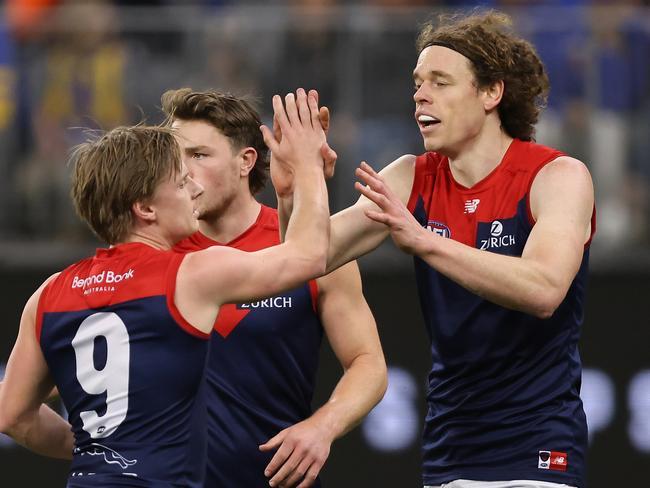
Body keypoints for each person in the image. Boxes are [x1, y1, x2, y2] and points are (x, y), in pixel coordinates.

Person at [273, 11, 595, 488]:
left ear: (491, 93)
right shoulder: (410, 175)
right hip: (450, 446)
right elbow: (304, 259)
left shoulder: (558, 176)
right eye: (418, 83)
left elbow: (544, 289)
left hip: (539, 444)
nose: (420, 95)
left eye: (440, 82)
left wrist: (425, 241)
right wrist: (297, 191)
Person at [0, 89, 331, 488]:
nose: (192, 190)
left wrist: (103, 450)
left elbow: (11, 415)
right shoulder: (189, 275)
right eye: (179, 182)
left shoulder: (49, 293)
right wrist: (308, 165)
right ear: (146, 208)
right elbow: (309, 256)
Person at [162, 87, 387, 488]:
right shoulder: (156, 252)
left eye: (198, 155)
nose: (184, 171)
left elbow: (368, 363)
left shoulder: (317, 248)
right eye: (176, 157)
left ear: (246, 161)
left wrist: (323, 426)